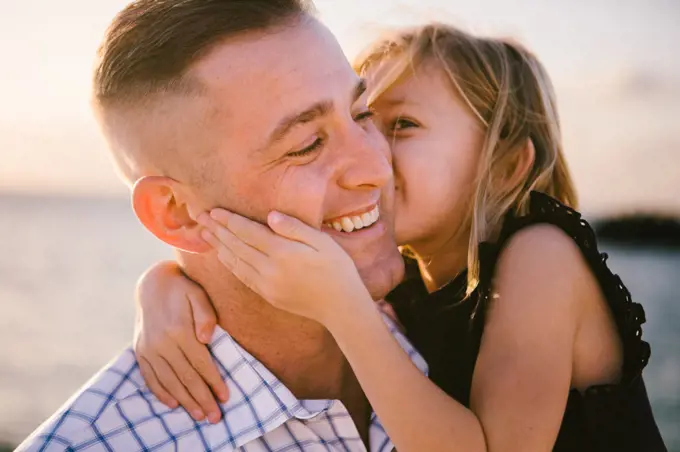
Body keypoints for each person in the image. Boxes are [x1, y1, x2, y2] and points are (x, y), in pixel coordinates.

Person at [134, 23, 668, 451]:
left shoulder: (542, 258)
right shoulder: (408, 274)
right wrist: (160, 288)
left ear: (506, 167)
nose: (370, 154)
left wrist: (345, 309)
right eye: (366, 117)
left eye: (404, 126)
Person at [17, 1, 429, 450]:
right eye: (308, 145)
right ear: (175, 212)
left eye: (363, 114)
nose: (376, 166)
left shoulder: (480, 327)